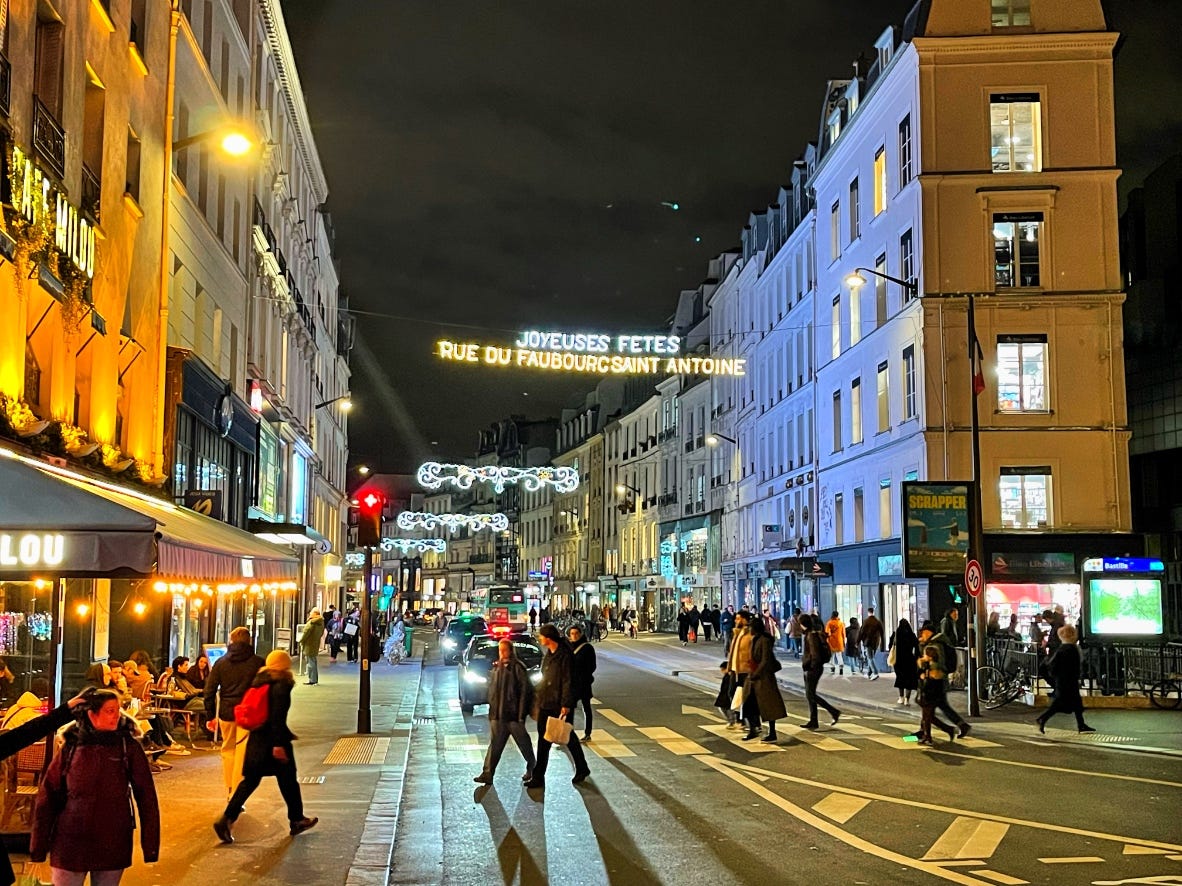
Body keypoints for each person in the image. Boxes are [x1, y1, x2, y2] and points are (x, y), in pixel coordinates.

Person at [31, 689, 160, 885]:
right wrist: (38, 846)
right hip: (70, 841)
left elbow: (146, 797)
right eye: (109, 711)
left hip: (112, 841)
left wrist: (150, 845)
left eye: (117, 710)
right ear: (92, 714)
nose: (116, 716)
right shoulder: (71, 747)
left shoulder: (128, 747)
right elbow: (47, 797)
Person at [213, 650, 318, 843]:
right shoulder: (281, 685)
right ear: (284, 665)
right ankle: (296, 819)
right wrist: (279, 744)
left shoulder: (261, 680)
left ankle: (226, 818)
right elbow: (277, 717)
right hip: (273, 742)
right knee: (288, 781)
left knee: (251, 781)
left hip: (257, 739)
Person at [203, 626, 266, 799]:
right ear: (249, 640)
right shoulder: (258, 663)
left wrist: (210, 716)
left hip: (227, 713)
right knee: (242, 752)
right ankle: (238, 793)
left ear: (231, 641)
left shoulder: (221, 663)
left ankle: (229, 787)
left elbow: (209, 690)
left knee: (228, 750)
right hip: (249, 713)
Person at [525, 625, 590, 790]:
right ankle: (539, 776)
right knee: (544, 739)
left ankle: (580, 768)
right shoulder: (549, 654)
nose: (540, 639)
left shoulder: (564, 655)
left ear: (548, 638)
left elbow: (568, 681)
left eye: (541, 636)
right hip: (546, 701)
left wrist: (566, 704)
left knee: (567, 736)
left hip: (559, 704)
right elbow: (545, 677)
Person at [474, 639, 537, 785]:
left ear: (510, 651)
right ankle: (487, 773)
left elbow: (524, 692)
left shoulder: (518, 668)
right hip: (498, 715)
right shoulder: (497, 668)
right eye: (500, 650)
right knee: (495, 745)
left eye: (504, 650)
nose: (502, 653)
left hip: (514, 715)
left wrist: (521, 714)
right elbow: (492, 691)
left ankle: (532, 768)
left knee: (524, 744)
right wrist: (492, 710)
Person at [1037, 625, 1095, 734]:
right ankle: (1043, 718)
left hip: (1063, 680)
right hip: (1068, 681)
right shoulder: (1071, 649)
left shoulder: (1062, 649)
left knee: (1072, 704)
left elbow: (1052, 666)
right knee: (1062, 704)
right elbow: (1075, 666)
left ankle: (1081, 725)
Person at [918, 622, 970, 738]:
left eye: (923, 632)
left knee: (928, 709)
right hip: (939, 681)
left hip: (935, 682)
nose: (922, 635)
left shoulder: (935, 645)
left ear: (928, 632)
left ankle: (931, 733)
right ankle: (958, 726)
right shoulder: (938, 642)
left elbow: (937, 664)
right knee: (939, 707)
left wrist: (924, 666)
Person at [745, 617, 787, 743]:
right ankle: (753, 728)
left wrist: (756, 673)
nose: (749, 630)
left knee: (768, 706)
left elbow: (765, 660)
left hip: (764, 678)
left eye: (750, 627)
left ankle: (772, 732)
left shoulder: (764, 641)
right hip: (754, 676)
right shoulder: (755, 639)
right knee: (748, 704)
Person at [801, 614, 841, 729]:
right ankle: (813, 720)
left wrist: (810, 666)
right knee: (810, 695)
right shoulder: (811, 634)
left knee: (811, 694)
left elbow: (815, 654)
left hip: (813, 668)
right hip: (812, 667)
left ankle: (833, 711)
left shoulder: (811, 636)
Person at [916, 644, 958, 746]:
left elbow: (934, 677)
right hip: (928, 694)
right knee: (928, 717)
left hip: (931, 695)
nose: (923, 656)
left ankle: (929, 737)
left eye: (925, 654)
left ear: (930, 655)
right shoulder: (928, 664)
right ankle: (945, 730)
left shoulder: (934, 666)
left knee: (927, 717)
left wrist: (925, 674)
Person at [566, 626, 596, 742]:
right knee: (568, 710)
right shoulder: (568, 647)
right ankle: (568, 734)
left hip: (583, 684)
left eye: (576, 633)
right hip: (572, 684)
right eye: (572, 633)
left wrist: (583, 675)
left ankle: (587, 733)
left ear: (580, 634)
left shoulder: (587, 648)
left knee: (586, 708)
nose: (574, 635)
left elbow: (592, 666)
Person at [726, 610, 754, 733]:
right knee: (732, 693)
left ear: (745, 620)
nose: (736, 621)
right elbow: (733, 652)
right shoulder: (737, 633)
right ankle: (740, 719)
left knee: (745, 697)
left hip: (744, 670)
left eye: (738, 618)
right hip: (735, 669)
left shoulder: (749, 634)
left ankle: (746, 721)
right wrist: (729, 668)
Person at [889, 618, 921, 705]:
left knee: (900, 679)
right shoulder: (911, 634)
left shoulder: (896, 634)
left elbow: (890, 646)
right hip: (910, 660)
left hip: (898, 660)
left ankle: (901, 698)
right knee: (909, 680)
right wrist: (916, 657)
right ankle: (907, 699)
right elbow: (917, 646)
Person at [299, 608, 326, 685]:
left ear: (314, 614)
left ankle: (312, 680)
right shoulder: (321, 623)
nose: (310, 614)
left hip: (308, 644)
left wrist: (301, 640)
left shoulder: (312, 622)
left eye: (311, 613)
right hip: (315, 644)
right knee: (313, 661)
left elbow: (306, 633)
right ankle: (314, 679)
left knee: (310, 663)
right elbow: (321, 633)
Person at [714, 661, 740, 728]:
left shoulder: (731, 676)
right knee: (725, 708)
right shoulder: (727, 676)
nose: (722, 671)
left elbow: (731, 686)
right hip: (724, 695)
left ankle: (732, 722)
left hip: (727, 695)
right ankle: (731, 721)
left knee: (728, 709)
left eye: (722, 669)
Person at [860, 607, 884, 680]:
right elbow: (882, 632)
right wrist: (882, 641)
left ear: (868, 612)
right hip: (876, 642)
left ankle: (875, 672)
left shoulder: (866, 621)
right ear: (873, 612)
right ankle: (869, 673)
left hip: (868, 642)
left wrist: (858, 641)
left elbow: (862, 632)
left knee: (870, 657)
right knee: (871, 656)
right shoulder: (878, 621)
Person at [825, 611, 846, 675]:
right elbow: (843, 633)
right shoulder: (841, 623)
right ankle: (841, 667)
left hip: (831, 641)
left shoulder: (829, 623)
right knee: (839, 655)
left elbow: (827, 632)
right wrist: (844, 641)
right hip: (839, 641)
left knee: (832, 656)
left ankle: (832, 668)